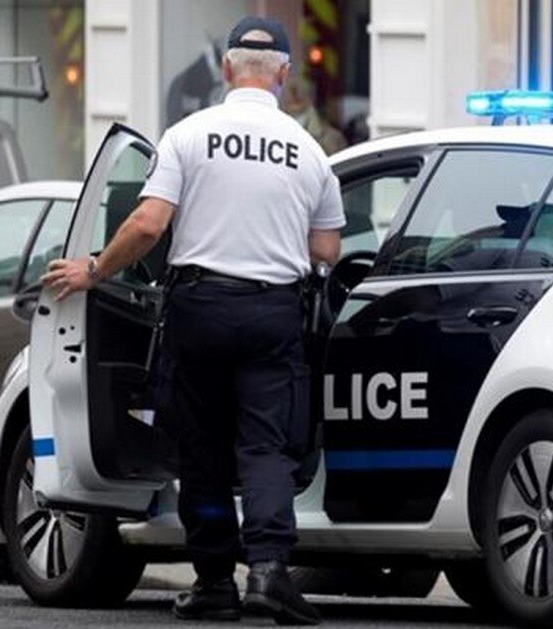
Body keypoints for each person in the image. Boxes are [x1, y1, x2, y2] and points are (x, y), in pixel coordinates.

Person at [40, 16, 344, 625]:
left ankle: (214, 584)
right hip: (272, 312)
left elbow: (148, 224)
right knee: (266, 448)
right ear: (284, 74)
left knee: (202, 449)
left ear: (227, 68)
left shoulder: (187, 135)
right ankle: (269, 572)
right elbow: (326, 250)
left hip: (199, 309)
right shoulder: (310, 151)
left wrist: (94, 270)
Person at [281, 76, 348, 155]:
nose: (293, 94)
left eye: (298, 89)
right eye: (289, 90)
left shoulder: (333, 138)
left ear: (311, 96)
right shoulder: (274, 130)